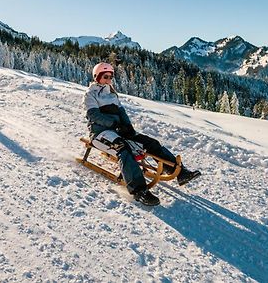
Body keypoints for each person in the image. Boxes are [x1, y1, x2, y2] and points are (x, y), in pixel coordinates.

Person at [83, 62, 201, 206]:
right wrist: (116, 125)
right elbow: (94, 116)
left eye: (111, 77)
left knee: (150, 143)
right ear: (97, 76)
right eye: (105, 76)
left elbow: (122, 112)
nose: (108, 79)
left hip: (118, 129)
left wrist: (128, 127)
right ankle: (139, 191)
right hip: (100, 133)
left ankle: (180, 172)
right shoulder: (91, 94)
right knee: (122, 148)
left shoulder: (112, 93)